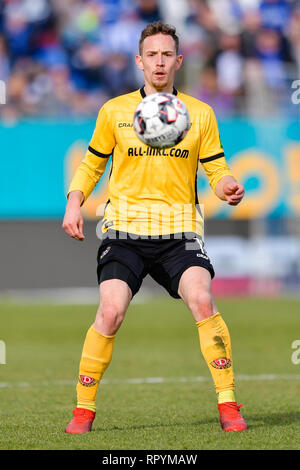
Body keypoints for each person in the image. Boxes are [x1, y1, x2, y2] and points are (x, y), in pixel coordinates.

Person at [62, 21, 247, 434]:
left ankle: (229, 404)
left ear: (178, 61)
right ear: (139, 61)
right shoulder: (114, 110)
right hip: (125, 231)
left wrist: (226, 186)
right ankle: (83, 409)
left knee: (202, 299)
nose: (159, 62)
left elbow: (216, 167)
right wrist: (74, 202)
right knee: (110, 312)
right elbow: (93, 163)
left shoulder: (200, 113)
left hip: (179, 231)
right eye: (152, 55)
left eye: (167, 55)